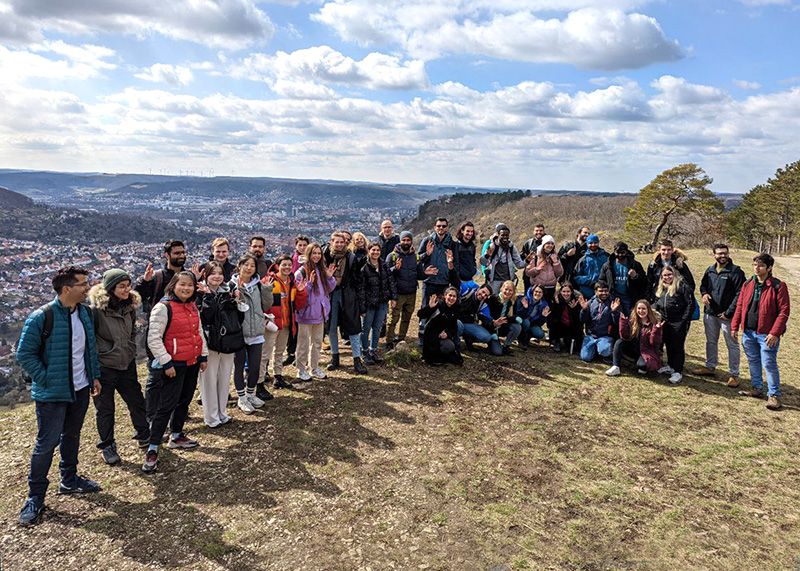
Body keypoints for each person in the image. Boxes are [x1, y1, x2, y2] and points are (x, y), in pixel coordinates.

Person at [16, 266, 102, 526]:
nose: (88, 287)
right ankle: (35, 497)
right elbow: (24, 354)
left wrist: (94, 376)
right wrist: (46, 378)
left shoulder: (84, 313)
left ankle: (69, 479)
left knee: (72, 435)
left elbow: (90, 349)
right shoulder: (42, 316)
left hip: (79, 386)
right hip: (52, 392)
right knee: (46, 442)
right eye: (83, 284)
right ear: (67, 289)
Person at [143, 271, 208, 472]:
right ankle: (153, 447)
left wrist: (203, 355)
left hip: (191, 361)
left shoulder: (192, 306)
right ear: (173, 285)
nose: (186, 288)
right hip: (173, 364)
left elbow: (198, 332)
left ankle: (177, 434)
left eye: (190, 285)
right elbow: (153, 338)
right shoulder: (163, 308)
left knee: (184, 400)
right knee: (166, 405)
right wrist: (166, 362)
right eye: (182, 285)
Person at [88, 268, 149, 466]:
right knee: (105, 408)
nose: (126, 290)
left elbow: (131, 331)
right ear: (110, 288)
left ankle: (143, 434)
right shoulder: (96, 310)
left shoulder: (129, 306)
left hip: (126, 361)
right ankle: (107, 445)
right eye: (121, 286)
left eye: (128, 285)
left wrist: (130, 348)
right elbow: (90, 338)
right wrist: (101, 354)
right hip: (105, 365)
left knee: (136, 400)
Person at [731, 253, 791, 410]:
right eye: (754, 265)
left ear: (769, 268)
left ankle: (774, 395)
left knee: (769, 363)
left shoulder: (778, 286)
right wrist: (735, 326)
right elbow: (740, 306)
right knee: (753, 361)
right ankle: (757, 388)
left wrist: (775, 333)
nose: (756, 268)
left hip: (767, 334)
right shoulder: (748, 284)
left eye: (761, 265)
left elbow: (784, 312)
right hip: (749, 332)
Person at [196, 261, 245, 428]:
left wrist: (237, 302)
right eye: (212, 273)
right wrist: (209, 296)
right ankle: (211, 417)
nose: (217, 276)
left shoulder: (228, 291)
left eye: (219, 273)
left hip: (228, 341)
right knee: (209, 380)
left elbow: (238, 319)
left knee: (224, 378)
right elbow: (206, 317)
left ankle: (222, 413)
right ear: (205, 275)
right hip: (210, 343)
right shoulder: (199, 292)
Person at [692, 244, 746, 387]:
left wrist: (728, 313)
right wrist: (704, 294)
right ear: (714, 254)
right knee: (711, 341)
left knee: (732, 344)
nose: (723, 256)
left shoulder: (736, 272)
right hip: (710, 313)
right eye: (719, 254)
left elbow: (740, 294)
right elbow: (703, 285)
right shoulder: (710, 270)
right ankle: (710, 367)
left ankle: (734, 374)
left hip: (727, 316)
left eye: (725, 253)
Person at [232, 254, 274, 414]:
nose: (249, 268)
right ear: (239, 266)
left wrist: (267, 289)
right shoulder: (232, 285)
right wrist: (235, 293)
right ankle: (241, 398)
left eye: (252, 266)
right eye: (246, 265)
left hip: (256, 330)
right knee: (239, 366)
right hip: (239, 332)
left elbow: (266, 305)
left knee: (255, 366)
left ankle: (251, 394)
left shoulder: (257, 284)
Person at [324, 232, 368, 374]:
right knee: (331, 327)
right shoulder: (326, 256)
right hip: (331, 294)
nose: (339, 245)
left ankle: (357, 359)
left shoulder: (351, 258)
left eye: (342, 242)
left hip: (348, 295)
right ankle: (335, 358)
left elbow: (358, 280)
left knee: (353, 328)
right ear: (331, 242)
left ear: (346, 243)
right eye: (336, 242)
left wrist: (359, 301)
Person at [262, 255, 308, 388]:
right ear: (277, 266)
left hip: (286, 323)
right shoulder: (269, 280)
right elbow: (264, 304)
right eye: (284, 264)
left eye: (289, 265)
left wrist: (301, 292)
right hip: (272, 324)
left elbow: (298, 305)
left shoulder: (292, 283)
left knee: (280, 351)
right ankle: (260, 379)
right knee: (266, 353)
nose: (287, 267)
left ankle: (278, 375)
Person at [295, 243, 337, 383]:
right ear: (308, 254)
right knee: (303, 344)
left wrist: (330, 277)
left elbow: (328, 289)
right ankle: (301, 369)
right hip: (306, 314)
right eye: (314, 253)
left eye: (319, 253)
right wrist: (309, 284)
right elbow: (299, 293)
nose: (317, 256)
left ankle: (314, 367)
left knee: (317, 342)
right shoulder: (301, 272)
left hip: (320, 312)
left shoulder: (321, 270)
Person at [387, 231, 434, 347]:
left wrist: (426, 273)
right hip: (398, 293)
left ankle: (401, 338)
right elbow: (386, 275)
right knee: (393, 319)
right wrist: (395, 268)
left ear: (411, 241)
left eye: (408, 240)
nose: (406, 242)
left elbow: (418, 275)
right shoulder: (392, 256)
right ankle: (389, 340)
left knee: (406, 317)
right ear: (400, 241)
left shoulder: (415, 256)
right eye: (404, 240)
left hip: (411, 293)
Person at [653, 266, 694, 384]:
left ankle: (678, 371)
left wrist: (684, 320)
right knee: (668, 343)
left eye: (669, 275)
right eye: (665, 275)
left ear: (674, 275)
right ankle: (670, 366)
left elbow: (689, 305)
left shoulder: (682, 286)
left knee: (677, 346)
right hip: (665, 321)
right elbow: (657, 302)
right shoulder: (661, 288)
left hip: (678, 321)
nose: (667, 277)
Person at [359, 242, 397, 364]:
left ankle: (373, 350)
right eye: (373, 250)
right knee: (366, 328)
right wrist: (362, 307)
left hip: (382, 301)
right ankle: (364, 351)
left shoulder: (383, 265)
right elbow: (361, 289)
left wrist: (393, 297)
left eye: (377, 250)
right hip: (369, 303)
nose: (375, 252)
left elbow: (390, 281)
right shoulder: (364, 266)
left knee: (377, 328)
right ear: (368, 251)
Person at [606, 300, 664, 376]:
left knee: (642, 365)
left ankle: (640, 366)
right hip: (634, 348)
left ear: (648, 310)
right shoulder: (633, 320)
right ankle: (616, 366)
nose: (641, 311)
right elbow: (625, 336)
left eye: (644, 309)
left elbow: (654, 343)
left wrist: (656, 330)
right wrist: (623, 322)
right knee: (619, 342)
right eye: (639, 308)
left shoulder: (654, 323)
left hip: (646, 351)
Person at [136, 239, 187, 314]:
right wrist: (145, 282)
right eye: (177, 253)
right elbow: (138, 297)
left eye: (183, 253)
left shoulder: (188, 277)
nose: (181, 256)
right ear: (167, 255)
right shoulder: (157, 277)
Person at [417, 288, 464, 366]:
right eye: (450, 295)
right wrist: (429, 307)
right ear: (445, 296)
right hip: (431, 335)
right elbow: (420, 314)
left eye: (454, 296)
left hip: (443, 336)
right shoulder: (438, 305)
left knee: (450, 347)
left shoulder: (455, 309)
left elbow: (454, 328)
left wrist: (447, 334)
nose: (451, 298)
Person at [578, 281, 621, 363]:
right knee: (585, 357)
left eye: (606, 291)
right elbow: (583, 320)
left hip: (605, 336)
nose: (604, 293)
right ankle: (594, 349)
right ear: (595, 292)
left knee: (604, 350)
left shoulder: (613, 303)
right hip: (591, 335)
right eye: (601, 291)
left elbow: (617, 323)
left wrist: (614, 312)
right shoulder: (591, 302)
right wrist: (584, 310)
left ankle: (604, 352)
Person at [600, 241, 647, 315]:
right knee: (614, 318)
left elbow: (644, 280)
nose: (620, 255)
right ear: (614, 252)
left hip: (629, 297)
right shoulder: (607, 265)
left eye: (623, 252)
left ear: (627, 252)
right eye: (617, 252)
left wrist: (635, 276)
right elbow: (601, 280)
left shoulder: (635, 264)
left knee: (629, 319)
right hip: (613, 297)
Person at [480, 223, 526, 294]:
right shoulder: (491, 246)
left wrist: (527, 261)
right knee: (493, 301)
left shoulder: (511, 247)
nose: (505, 237)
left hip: (508, 281)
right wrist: (486, 256)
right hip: (493, 281)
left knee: (506, 302)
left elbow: (519, 264)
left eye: (507, 235)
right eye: (502, 235)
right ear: (498, 235)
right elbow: (483, 263)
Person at [456, 284, 500, 353]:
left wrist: (493, 323)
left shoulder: (483, 304)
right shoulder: (467, 291)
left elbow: (486, 318)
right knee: (458, 325)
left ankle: (469, 340)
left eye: (486, 295)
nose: (483, 295)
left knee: (486, 337)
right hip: (455, 321)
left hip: (468, 324)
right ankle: (455, 344)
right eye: (483, 292)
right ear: (479, 288)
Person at [485, 280, 523, 354]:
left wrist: (513, 318)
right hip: (491, 328)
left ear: (513, 292)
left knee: (517, 327)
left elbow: (514, 316)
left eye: (510, 290)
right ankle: (491, 342)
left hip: (503, 327)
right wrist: (493, 324)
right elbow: (486, 316)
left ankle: (506, 346)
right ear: (501, 289)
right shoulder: (493, 299)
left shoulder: (512, 302)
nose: (508, 292)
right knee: (497, 352)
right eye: (506, 289)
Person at [524, 234, 563, 304]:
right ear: (543, 245)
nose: (550, 245)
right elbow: (528, 272)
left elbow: (559, 273)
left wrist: (556, 263)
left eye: (552, 244)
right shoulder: (536, 257)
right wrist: (537, 269)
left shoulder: (555, 256)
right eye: (548, 243)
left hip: (551, 288)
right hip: (537, 288)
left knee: (548, 309)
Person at [549, 283, 583, 354]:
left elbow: (579, 321)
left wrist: (574, 309)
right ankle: (556, 341)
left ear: (571, 292)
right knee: (554, 323)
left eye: (568, 291)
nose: (566, 294)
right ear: (561, 292)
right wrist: (557, 305)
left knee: (569, 344)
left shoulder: (576, 302)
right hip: (560, 326)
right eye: (564, 291)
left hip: (572, 327)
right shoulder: (557, 300)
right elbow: (553, 318)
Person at [572, 234, 609, 299]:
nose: (593, 245)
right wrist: (590, 281)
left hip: (604, 293)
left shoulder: (606, 256)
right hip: (587, 294)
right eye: (590, 243)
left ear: (598, 243)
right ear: (587, 244)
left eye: (595, 242)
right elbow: (576, 277)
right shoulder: (583, 259)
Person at [520, 223, 546, 291]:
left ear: (544, 231)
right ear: (533, 231)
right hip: (529, 275)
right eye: (536, 230)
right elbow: (521, 257)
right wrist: (527, 258)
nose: (538, 232)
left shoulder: (548, 242)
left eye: (541, 230)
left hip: (543, 275)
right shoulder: (528, 243)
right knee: (528, 296)